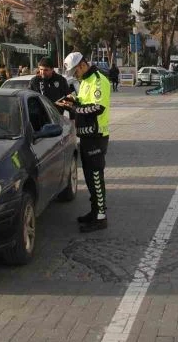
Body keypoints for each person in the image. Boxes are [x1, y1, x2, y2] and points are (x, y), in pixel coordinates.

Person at [56, 52, 112, 233]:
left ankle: (101, 217)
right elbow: (85, 101)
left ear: (82, 65)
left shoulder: (98, 80)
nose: (75, 76)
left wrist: (74, 107)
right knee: (89, 177)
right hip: (86, 136)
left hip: (97, 136)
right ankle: (95, 211)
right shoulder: (85, 81)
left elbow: (97, 107)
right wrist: (73, 99)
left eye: (75, 72)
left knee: (96, 178)